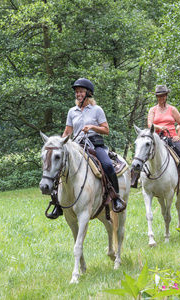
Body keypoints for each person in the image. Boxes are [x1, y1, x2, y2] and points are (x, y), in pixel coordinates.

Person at [48, 78, 126, 219]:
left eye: (81, 92)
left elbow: (106, 130)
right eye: (76, 92)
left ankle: (116, 198)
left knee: (108, 165)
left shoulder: (97, 110)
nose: (78, 94)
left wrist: (92, 127)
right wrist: (59, 142)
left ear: (88, 93)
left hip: (95, 145)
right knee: (60, 168)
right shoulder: (72, 111)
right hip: (76, 146)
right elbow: (67, 131)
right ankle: (57, 204)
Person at [147, 85, 180, 189]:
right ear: (157, 97)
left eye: (163, 96)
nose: (161, 98)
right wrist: (159, 127)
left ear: (166, 96)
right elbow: (149, 124)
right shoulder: (152, 110)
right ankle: (136, 175)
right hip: (157, 138)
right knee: (143, 149)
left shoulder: (172, 109)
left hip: (170, 137)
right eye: (159, 96)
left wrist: (178, 136)